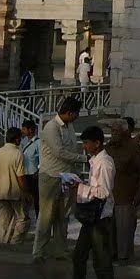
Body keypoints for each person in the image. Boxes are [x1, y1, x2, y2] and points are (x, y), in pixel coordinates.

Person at [63, 125, 117, 279]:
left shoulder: (105, 163)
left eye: (86, 143)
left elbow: (103, 192)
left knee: (101, 260)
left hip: (100, 219)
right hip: (92, 218)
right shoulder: (96, 161)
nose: (84, 146)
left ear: (97, 143)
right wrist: (80, 185)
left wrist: (81, 188)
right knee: (79, 256)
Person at [34, 97, 88, 263]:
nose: (77, 116)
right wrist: (84, 159)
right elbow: (59, 152)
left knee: (63, 216)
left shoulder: (69, 126)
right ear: (69, 112)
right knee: (46, 215)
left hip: (67, 176)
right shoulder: (51, 127)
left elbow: (72, 148)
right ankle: (39, 251)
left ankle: (60, 250)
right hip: (50, 176)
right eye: (76, 113)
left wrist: (78, 171)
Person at [106, 119, 140, 265]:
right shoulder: (108, 148)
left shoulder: (133, 148)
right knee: (110, 228)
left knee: (125, 228)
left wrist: (139, 193)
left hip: (126, 194)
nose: (113, 134)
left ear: (124, 132)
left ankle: (124, 256)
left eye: (116, 131)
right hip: (110, 194)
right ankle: (112, 253)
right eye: (112, 131)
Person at [0, 126, 27, 245]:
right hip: (15, 194)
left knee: (2, 222)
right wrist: (26, 193)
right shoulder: (18, 153)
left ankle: (1, 243)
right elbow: (20, 176)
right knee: (23, 219)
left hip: (1, 193)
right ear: (16, 139)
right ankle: (15, 240)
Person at [20, 119, 40, 217]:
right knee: (25, 196)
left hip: (33, 174)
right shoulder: (23, 141)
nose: (22, 131)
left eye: (24, 129)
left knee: (36, 197)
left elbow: (42, 158)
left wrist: (38, 170)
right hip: (24, 173)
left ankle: (38, 217)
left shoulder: (38, 143)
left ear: (30, 130)